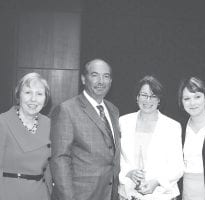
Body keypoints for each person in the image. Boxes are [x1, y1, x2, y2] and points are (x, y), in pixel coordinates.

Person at [50, 59, 121, 200]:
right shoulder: (67, 110)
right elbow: (60, 159)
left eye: (106, 76)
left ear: (111, 81)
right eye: (95, 75)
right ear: (83, 79)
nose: (101, 81)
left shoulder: (113, 110)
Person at [118, 75, 184, 200]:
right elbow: (117, 157)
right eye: (144, 95)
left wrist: (157, 181)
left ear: (159, 100)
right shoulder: (123, 122)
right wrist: (128, 173)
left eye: (153, 96)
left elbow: (178, 167)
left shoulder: (172, 126)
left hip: (161, 195)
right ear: (137, 97)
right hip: (128, 193)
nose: (148, 100)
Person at [0, 72, 52, 200]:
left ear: (45, 99)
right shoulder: (3, 122)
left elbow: (50, 168)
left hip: (41, 194)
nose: (33, 99)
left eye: (39, 94)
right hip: (8, 194)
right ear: (18, 95)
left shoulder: (50, 124)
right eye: (28, 92)